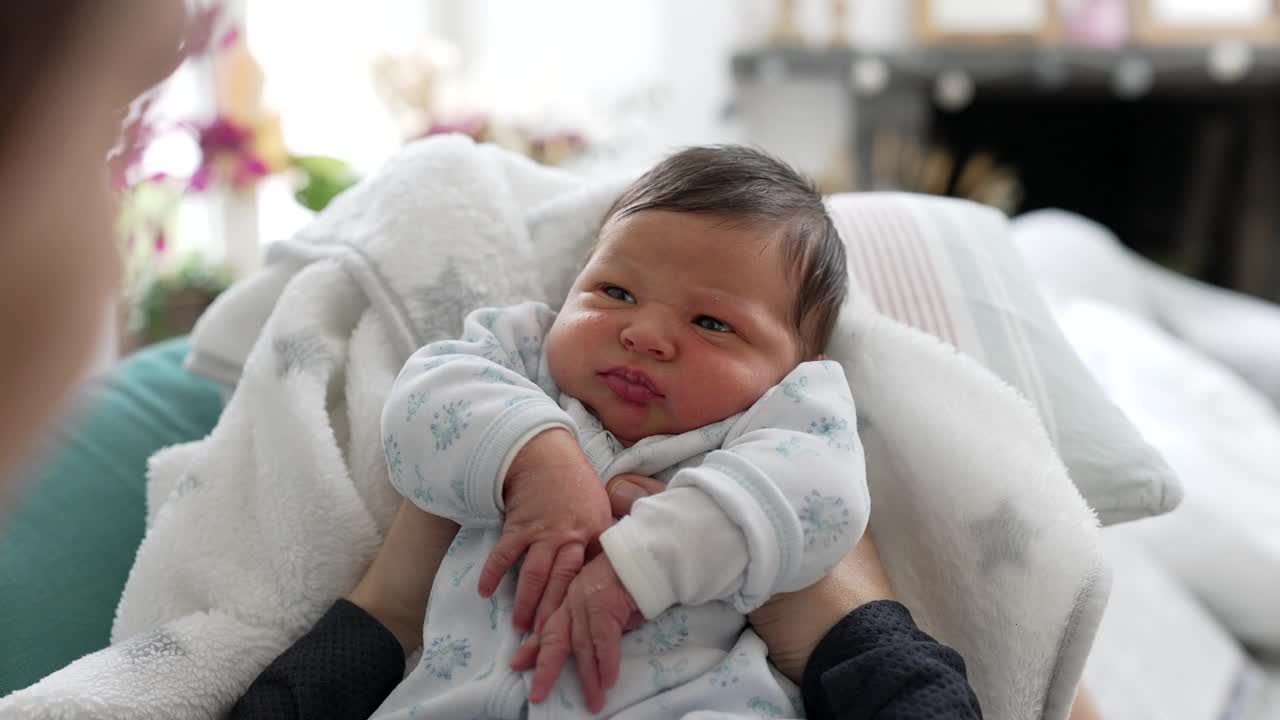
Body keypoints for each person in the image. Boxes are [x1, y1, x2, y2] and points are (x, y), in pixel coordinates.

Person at [372, 145, 868, 718]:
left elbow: (825, 496)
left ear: (797, 368)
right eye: (616, 292)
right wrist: (536, 458)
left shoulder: (778, 418)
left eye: (711, 322)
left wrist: (647, 563)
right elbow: (419, 402)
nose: (645, 333)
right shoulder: (524, 356)